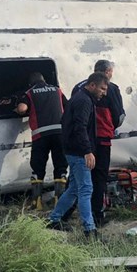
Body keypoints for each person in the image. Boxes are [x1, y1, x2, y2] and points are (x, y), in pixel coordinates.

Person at [48, 73, 109, 238]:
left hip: (71, 150)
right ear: (92, 85)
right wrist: (87, 151)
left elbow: (66, 122)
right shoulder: (84, 101)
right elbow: (80, 127)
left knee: (74, 189)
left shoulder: (79, 97)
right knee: (86, 189)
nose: (104, 93)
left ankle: (54, 219)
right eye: (102, 89)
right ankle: (89, 229)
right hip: (79, 152)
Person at [71, 60, 125, 227]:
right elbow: (119, 116)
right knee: (99, 176)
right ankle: (97, 215)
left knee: (76, 178)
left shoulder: (78, 87)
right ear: (107, 72)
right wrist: (111, 127)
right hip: (102, 138)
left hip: (82, 139)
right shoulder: (111, 88)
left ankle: (66, 213)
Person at [14, 72, 67, 209]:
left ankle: (36, 203)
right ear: (44, 80)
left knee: (38, 168)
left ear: (30, 83)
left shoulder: (29, 93)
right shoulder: (57, 90)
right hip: (60, 133)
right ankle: (59, 202)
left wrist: (17, 110)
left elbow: (22, 109)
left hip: (41, 135)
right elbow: (67, 107)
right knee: (61, 167)